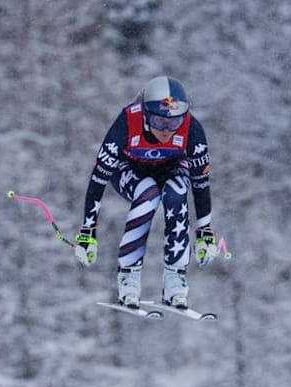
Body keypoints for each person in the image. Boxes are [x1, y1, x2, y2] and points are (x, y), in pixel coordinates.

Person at [74, 76, 219, 309]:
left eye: (174, 123)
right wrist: (87, 231)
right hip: (128, 170)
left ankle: (175, 277)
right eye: (159, 122)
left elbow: (201, 183)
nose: (166, 130)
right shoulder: (126, 123)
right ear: (145, 114)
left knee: (177, 191)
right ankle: (128, 276)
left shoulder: (192, 130)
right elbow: (98, 178)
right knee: (148, 193)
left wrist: (205, 232)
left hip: (171, 169)